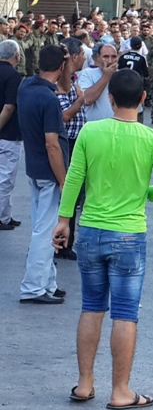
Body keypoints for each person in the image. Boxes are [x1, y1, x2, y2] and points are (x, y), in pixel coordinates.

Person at [53, 69, 153, 408]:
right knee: (125, 312)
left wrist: (64, 220)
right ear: (143, 99)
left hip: (91, 230)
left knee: (91, 306)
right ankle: (121, 390)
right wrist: (144, 195)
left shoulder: (92, 132)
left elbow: (74, 180)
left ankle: (84, 383)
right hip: (129, 235)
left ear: (109, 98)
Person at [18, 45, 70, 304]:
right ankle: (34, 287)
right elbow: (52, 144)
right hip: (50, 173)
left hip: (34, 168)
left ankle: (47, 283)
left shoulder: (26, 86)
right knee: (46, 231)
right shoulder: (49, 99)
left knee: (42, 226)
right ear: (61, 67)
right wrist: (63, 181)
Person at [54, 39, 88, 261]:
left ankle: (67, 241)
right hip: (67, 142)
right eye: (82, 53)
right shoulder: (60, 83)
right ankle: (60, 243)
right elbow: (65, 115)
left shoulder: (74, 79)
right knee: (67, 194)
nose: (85, 57)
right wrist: (81, 100)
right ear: (73, 57)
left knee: (76, 196)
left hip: (77, 142)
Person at [0, 40, 22, 230]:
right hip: (7, 134)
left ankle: (6, 215)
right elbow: (9, 106)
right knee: (5, 178)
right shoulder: (13, 76)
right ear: (16, 55)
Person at [78, 43, 119, 123]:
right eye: (106, 57)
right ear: (98, 57)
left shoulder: (122, 76)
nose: (110, 61)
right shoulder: (87, 74)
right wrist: (106, 76)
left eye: (113, 57)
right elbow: (87, 99)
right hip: (93, 127)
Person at [117, 37, 149, 123]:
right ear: (141, 46)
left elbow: (118, 69)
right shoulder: (141, 58)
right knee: (138, 106)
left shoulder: (123, 56)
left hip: (122, 83)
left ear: (130, 45)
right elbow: (146, 74)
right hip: (136, 84)